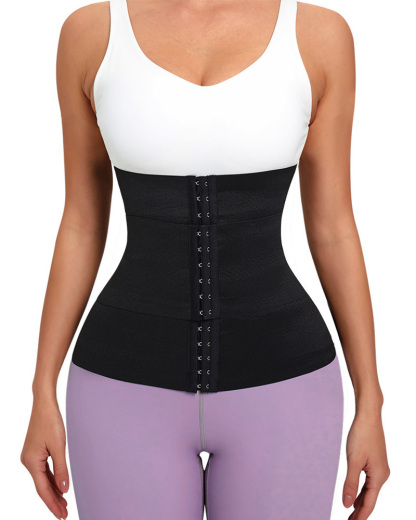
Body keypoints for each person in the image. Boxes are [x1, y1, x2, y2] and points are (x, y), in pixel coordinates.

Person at [20, 0, 390, 519]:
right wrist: (41, 390)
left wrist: (371, 400)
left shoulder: (319, 35)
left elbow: (334, 230)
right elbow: (81, 224)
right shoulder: (91, 33)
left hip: (286, 387)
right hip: (121, 388)